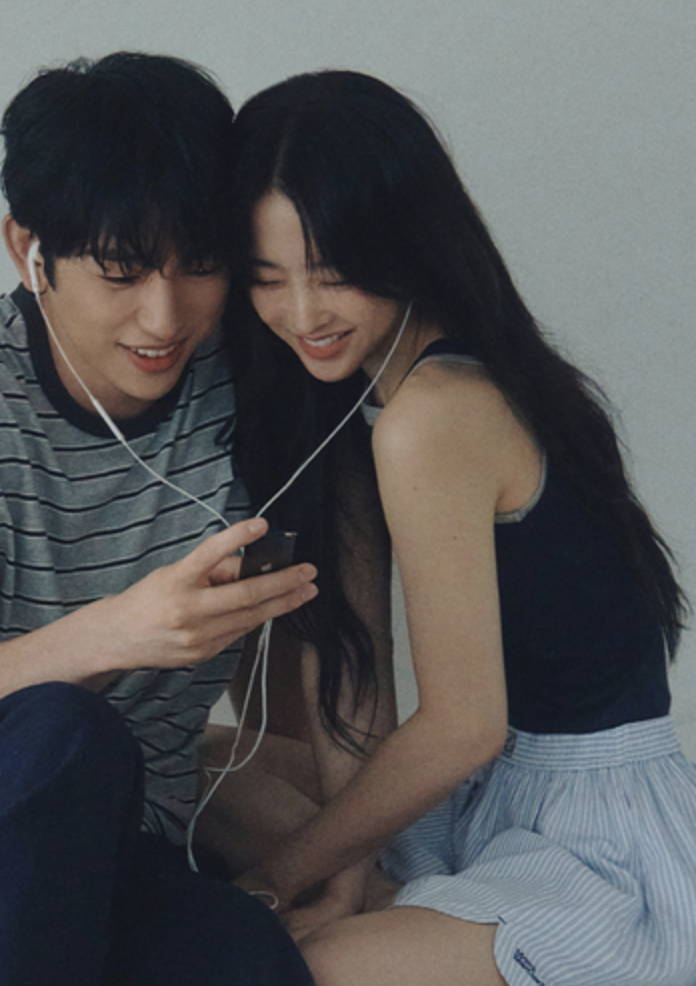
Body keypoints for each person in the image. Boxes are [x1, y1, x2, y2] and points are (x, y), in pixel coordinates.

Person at [0, 52, 320, 986]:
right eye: (121, 272)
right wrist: (126, 631)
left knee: (243, 953)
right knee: (64, 732)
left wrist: (324, 834)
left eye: (201, 266)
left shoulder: (255, 386)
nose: (164, 317)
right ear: (29, 249)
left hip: (120, 843)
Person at [222, 69, 696, 986]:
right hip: (489, 798)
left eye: (333, 274)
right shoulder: (360, 399)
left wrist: (272, 882)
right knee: (207, 769)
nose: (302, 315)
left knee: (316, 965)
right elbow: (355, 664)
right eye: (267, 279)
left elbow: (462, 727)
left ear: (405, 243)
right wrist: (342, 872)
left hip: (597, 831)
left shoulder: (437, 412)